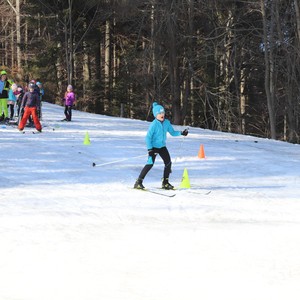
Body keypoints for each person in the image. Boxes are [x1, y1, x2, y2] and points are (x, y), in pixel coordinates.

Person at [134, 102, 188, 190]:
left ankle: (165, 183)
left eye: (163, 113)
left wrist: (182, 133)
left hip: (162, 147)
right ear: (155, 115)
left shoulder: (166, 123)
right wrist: (150, 149)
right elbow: (148, 138)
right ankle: (138, 182)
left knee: (168, 163)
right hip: (154, 147)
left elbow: (173, 132)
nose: (162, 114)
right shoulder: (154, 124)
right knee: (150, 164)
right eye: (160, 113)